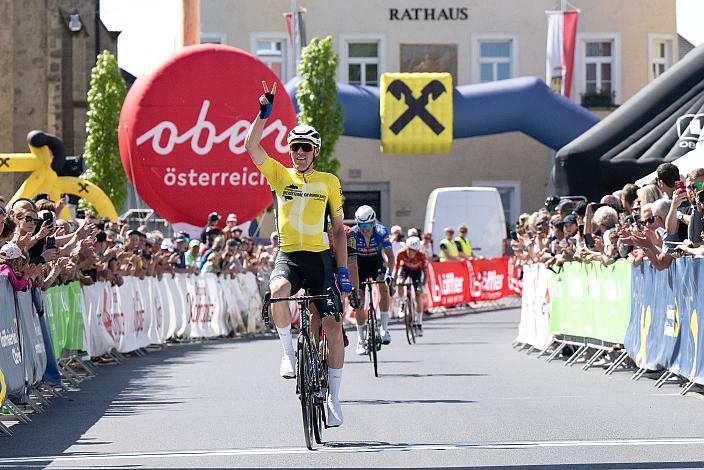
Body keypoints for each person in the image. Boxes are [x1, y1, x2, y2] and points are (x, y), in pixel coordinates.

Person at [244, 81, 350, 427]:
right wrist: (263, 113)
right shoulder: (279, 174)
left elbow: (337, 230)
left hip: (319, 258)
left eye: (305, 148)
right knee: (277, 292)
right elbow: (250, 145)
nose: (299, 153)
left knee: (333, 325)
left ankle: (334, 399)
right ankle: (289, 356)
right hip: (289, 255)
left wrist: (344, 270)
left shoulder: (328, 181)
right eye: (294, 148)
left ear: (315, 151)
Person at [351, 205, 395, 348]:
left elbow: (390, 257)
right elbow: (349, 260)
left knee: (383, 287)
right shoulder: (353, 234)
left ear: (373, 223)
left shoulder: (381, 232)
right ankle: (361, 340)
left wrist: (390, 273)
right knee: (359, 300)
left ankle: (384, 329)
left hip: (376, 263)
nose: (364, 229)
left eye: (368, 225)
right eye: (361, 225)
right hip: (359, 266)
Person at [393, 236, 429, 336]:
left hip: (417, 272)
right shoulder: (401, 253)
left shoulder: (421, 255)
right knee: (400, 282)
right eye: (409, 249)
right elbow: (396, 269)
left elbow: (425, 273)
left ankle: (419, 323)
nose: (410, 252)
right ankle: (401, 303)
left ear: (417, 251)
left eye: (413, 251)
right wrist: (393, 282)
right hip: (405, 269)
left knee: (418, 294)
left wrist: (423, 285)